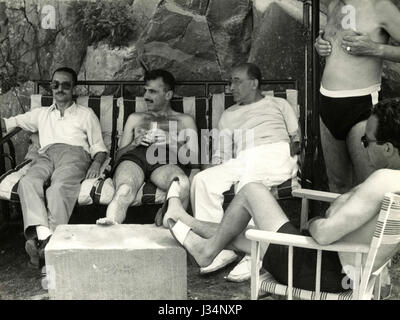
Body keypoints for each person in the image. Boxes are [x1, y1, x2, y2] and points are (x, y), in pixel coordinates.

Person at [164, 97, 400, 294]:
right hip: (334, 268)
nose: (363, 146)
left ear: (388, 148)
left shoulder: (383, 180)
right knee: (239, 232)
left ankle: (204, 249)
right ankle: (184, 221)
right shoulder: (392, 181)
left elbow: (326, 234)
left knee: (252, 191)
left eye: (366, 141)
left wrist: (314, 222)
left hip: (316, 271)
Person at [189, 63, 300, 281]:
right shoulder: (228, 115)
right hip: (243, 158)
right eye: (231, 81)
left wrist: (290, 154)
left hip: (275, 152)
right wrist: (204, 169)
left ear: (254, 83)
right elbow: (221, 154)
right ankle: (220, 247)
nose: (231, 87)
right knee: (203, 181)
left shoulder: (279, 104)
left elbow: (296, 139)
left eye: (236, 81)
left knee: (247, 187)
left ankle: (255, 254)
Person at [1, 67, 108, 267]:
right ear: (51, 87)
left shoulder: (86, 114)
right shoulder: (41, 114)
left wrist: (96, 162)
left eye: (65, 85)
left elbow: (98, 147)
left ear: (73, 88)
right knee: (28, 182)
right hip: (44, 154)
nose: (59, 89)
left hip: (74, 155)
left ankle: (39, 244)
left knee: (58, 189)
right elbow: (8, 123)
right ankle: (47, 239)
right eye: (55, 84)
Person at [315, 0, 400, 193]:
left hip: (361, 104)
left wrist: (376, 49)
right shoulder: (334, 6)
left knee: (369, 184)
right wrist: (320, 44)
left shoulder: (381, 6)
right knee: (336, 182)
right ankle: (340, 224)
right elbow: (335, 45)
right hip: (327, 101)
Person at [97, 69, 198, 225]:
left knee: (181, 182)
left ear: (168, 95)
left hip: (166, 160)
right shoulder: (135, 118)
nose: (145, 96)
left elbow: (196, 159)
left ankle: (167, 224)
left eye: (152, 92)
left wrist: (171, 141)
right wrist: (134, 143)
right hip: (134, 159)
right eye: (145, 91)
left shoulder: (185, 120)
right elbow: (118, 156)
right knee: (124, 189)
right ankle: (110, 223)